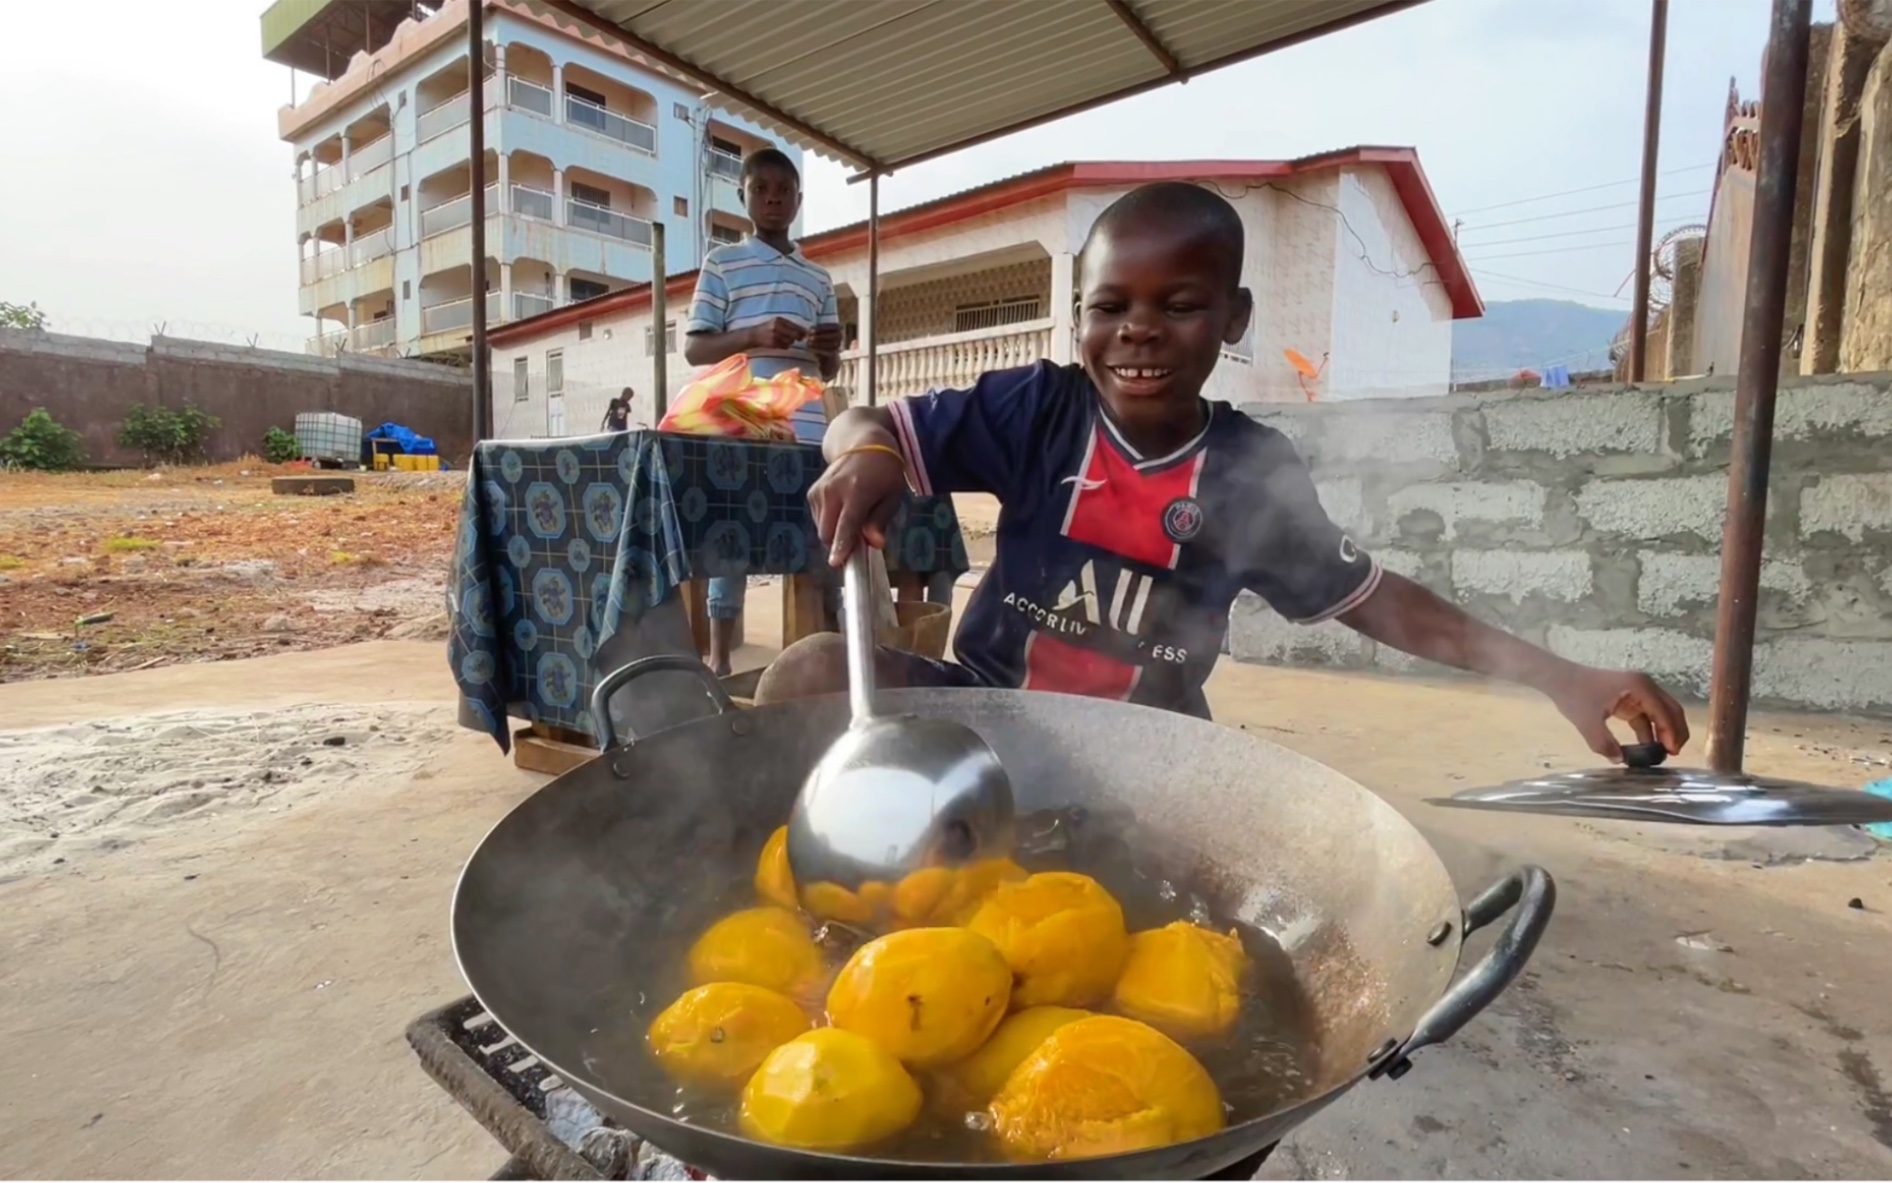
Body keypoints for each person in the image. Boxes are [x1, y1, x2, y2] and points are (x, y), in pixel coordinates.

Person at [757, 182, 1689, 764]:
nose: (1139, 330)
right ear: (1080, 316)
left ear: (1234, 318)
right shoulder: (1038, 409)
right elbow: (860, 419)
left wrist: (1562, 674)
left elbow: (1381, 600)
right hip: (983, 716)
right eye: (1110, 304)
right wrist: (870, 451)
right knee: (803, 674)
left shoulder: (1249, 469)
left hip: (1152, 755)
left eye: (1181, 304)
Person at [684, 146, 843, 676]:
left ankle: (822, 656)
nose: (773, 199)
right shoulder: (722, 264)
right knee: (733, 535)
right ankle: (719, 657)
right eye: (761, 189)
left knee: (816, 533)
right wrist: (754, 336)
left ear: (799, 200)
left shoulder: (818, 279)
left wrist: (828, 349)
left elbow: (830, 370)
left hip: (807, 426)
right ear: (743, 197)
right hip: (743, 420)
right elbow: (696, 349)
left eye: (784, 191)